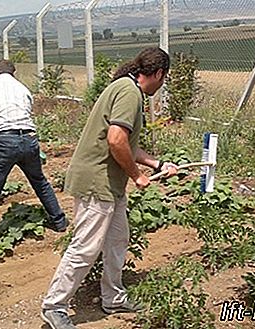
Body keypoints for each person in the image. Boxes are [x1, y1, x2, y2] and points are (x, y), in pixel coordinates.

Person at [40, 47, 178, 329]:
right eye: (164, 79)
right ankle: (54, 305)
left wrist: (157, 163)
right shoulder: (129, 93)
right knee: (86, 247)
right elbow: (116, 140)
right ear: (159, 73)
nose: (162, 85)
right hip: (97, 182)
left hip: (108, 183)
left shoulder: (126, 88)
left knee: (117, 241)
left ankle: (113, 297)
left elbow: (125, 143)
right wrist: (137, 176)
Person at [0, 59, 67, 252]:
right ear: (14, 73)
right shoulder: (23, 88)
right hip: (29, 138)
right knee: (40, 182)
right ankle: (59, 222)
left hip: (4, 140)